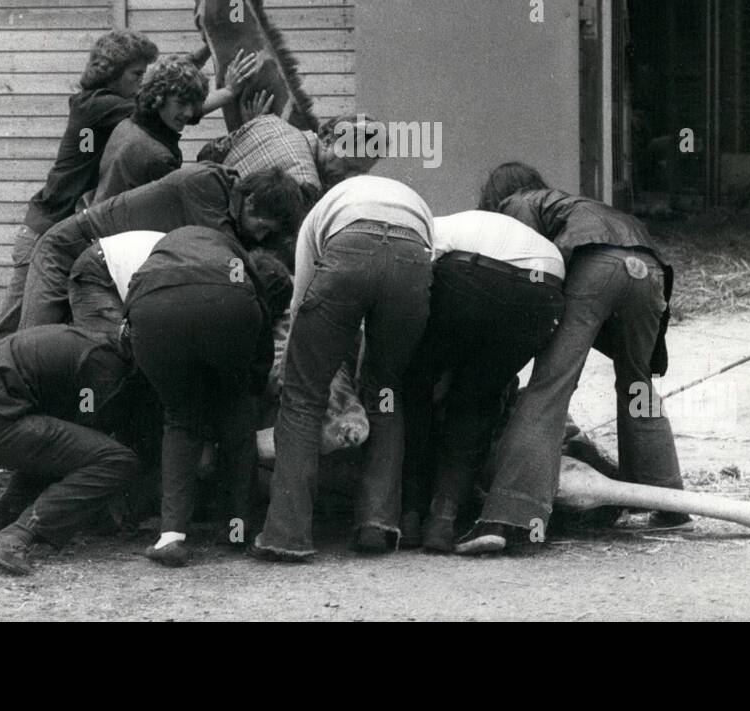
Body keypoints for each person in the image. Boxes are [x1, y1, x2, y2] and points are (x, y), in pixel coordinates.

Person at [0, 29, 158, 513]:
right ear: (112, 74)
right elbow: (159, 107)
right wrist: (219, 91)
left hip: (65, 240)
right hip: (46, 237)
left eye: (145, 76)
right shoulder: (96, 106)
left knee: (24, 341)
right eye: (136, 75)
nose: (141, 85)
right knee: (6, 338)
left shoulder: (104, 104)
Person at [458, 161, 684, 556]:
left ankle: (509, 516)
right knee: (637, 385)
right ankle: (667, 497)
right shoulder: (575, 203)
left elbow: (528, 268)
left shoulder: (518, 203)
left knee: (550, 386)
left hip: (595, 266)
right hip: (649, 268)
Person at [251, 175, 434, 561]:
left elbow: (301, 302)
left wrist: (293, 367)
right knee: (386, 390)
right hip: (413, 255)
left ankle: (287, 535)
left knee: (303, 397)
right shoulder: (413, 199)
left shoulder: (316, 217)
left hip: (347, 246)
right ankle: (377, 523)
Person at [123, 227, 292, 567]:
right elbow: (258, 349)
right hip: (225, 302)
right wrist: (249, 390)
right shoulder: (241, 268)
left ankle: (170, 535)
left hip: (151, 306)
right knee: (237, 412)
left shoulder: (173, 244)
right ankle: (235, 529)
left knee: (180, 419)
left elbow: (130, 319)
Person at [400, 210, 566, 553]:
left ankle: (408, 515)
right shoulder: (478, 223)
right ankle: (443, 520)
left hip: (471, 274)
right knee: (476, 401)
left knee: (415, 386)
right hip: (543, 288)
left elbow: (419, 279)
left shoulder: (433, 225)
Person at [0, 324, 143, 576]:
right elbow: (87, 414)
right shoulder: (102, 363)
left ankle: (9, 514)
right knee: (116, 460)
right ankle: (18, 535)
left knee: (59, 442)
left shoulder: (89, 341)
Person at [20, 163, 307, 329]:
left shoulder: (228, 202)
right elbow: (230, 263)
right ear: (252, 201)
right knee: (27, 344)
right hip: (62, 250)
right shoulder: (206, 186)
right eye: (263, 227)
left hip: (96, 261)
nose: (259, 237)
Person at [89, 50, 261, 205]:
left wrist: (230, 91)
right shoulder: (158, 156)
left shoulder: (129, 124)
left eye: (193, 104)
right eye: (181, 103)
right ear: (158, 99)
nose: (188, 113)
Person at [197, 109, 389, 202]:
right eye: (348, 165)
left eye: (358, 173)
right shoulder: (308, 187)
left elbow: (206, 154)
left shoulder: (268, 122)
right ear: (329, 140)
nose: (348, 177)